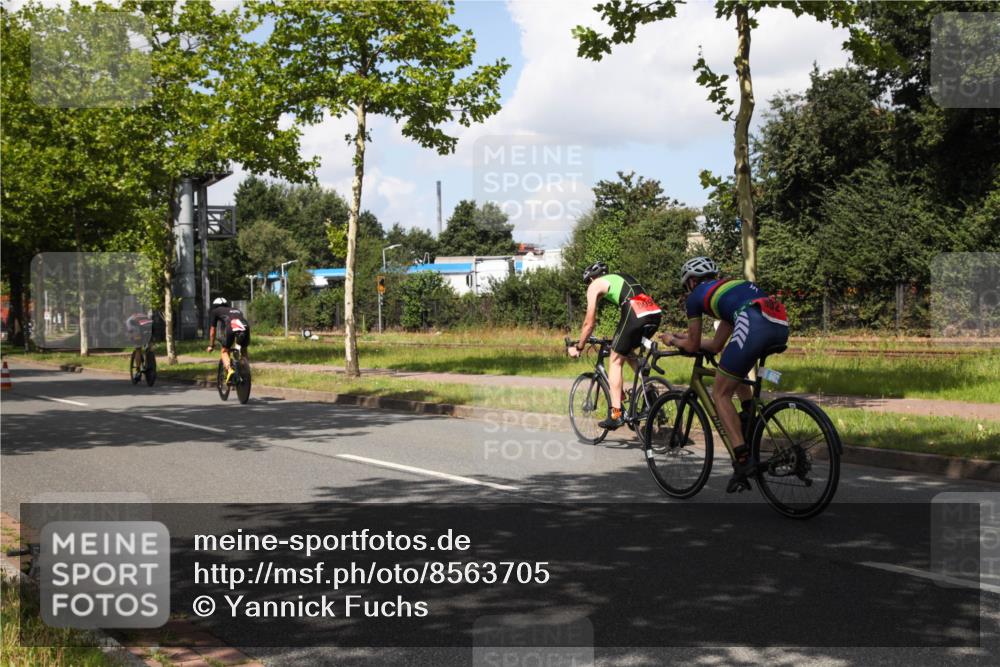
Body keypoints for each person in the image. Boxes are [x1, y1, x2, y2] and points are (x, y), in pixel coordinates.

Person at [663, 256, 789, 492]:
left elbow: (692, 346)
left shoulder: (695, 298)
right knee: (732, 366)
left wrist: (672, 340)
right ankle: (748, 416)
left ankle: (742, 460)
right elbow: (716, 345)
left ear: (690, 282)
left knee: (720, 393)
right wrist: (685, 339)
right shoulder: (729, 292)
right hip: (778, 322)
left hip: (753, 322)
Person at [567, 262, 662, 430]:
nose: (589, 286)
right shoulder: (621, 278)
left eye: (588, 282)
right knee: (627, 352)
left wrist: (579, 346)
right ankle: (651, 398)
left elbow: (589, 323)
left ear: (591, 278)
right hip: (654, 312)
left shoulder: (595, 285)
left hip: (635, 311)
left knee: (615, 360)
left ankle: (616, 414)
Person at [206, 297, 251, 384]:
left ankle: (230, 371)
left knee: (224, 351)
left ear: (214, 306)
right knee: (244, 349)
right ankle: (245, 371)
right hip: (245, 327)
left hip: (231, 327)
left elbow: (212, 331)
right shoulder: (235, 309)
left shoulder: (215, 311)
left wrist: (211, 345)